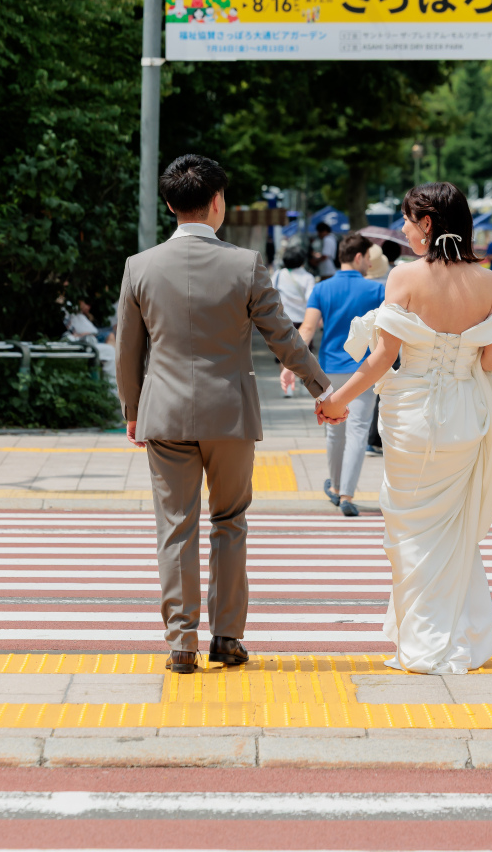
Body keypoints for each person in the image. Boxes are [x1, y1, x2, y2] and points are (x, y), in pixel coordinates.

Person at [116, 154, 342, 676]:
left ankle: (180, 642)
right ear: (217, 202)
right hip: (230, 416)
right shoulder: (245, 265)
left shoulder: (139, 266)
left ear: (170, 204)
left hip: (164, 415)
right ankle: (226, 637)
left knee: (175, 527)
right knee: (230, 522)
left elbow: (129, 348)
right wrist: (321, 388)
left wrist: (133, 409)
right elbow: (282, 335)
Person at [320, 181, 492, 675]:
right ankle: (463, 634)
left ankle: (422, 638)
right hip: (465, 417)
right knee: (455, 530)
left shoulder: (404, 277)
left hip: (412, 418)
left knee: (409, 528)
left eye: (408, 221)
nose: (403, 229)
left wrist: (336, 402)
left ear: (428, 224)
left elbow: (382, 359)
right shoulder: (488, 282)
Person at [281, 232, 386, 517]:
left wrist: (290, 365)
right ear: (359, 256)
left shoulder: (321, 289)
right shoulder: (376, 291)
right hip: (364, 370)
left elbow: (307, 329)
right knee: (358, 431)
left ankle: (335, 486)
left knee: (333, 431)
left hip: (328, 369)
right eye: (368, 258)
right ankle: (347, 494)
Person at [271, 247, 315, 327]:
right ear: (302, 260)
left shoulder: (278, 274)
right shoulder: (308, 277)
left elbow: (270, 293)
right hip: (302, 320)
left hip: (281, 319)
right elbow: (310, 299)